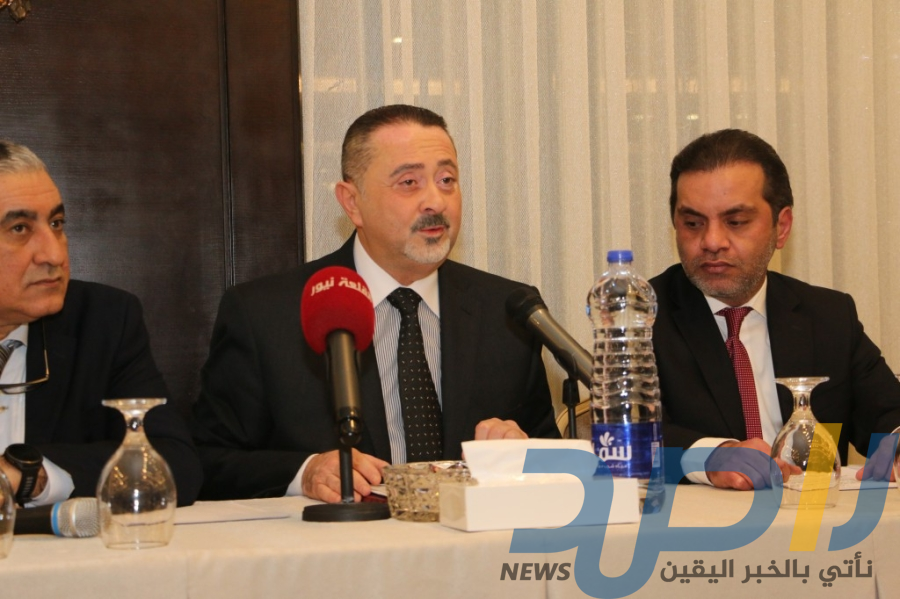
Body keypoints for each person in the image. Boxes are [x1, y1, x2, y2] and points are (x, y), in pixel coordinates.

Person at [192, 104, 559, 503]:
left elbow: (556, 463)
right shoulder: (265, 314)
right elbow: (206, 462)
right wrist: (305, 472)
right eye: (409, 182)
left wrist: (524, 454)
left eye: (447, 180)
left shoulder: (507, 311)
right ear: (352, 202)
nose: (436, 201)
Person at [651, 128, 900, 490]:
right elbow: (625, 436)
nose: (712, 241)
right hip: (698, 522)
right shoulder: (640, 319)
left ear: (781, 227)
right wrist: (710, 456)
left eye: (736, 222)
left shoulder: (828, 315)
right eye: (692, 223)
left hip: (816, 519)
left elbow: (887, 413)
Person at [0, 140, 202, 506]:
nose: (54, 254)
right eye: (19, 229)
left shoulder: (102, 320)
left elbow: (175, 463)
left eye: (56, 224)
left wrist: (30, 475)